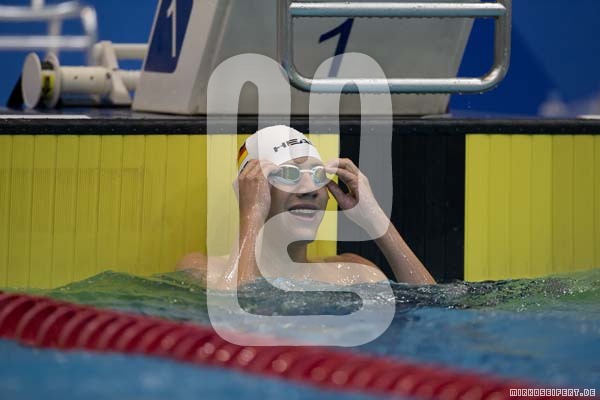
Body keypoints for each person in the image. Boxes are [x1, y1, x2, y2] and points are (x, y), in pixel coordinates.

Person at [177, 125, 435, 289]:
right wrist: (251, 214)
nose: (311, 188)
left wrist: (376, 221)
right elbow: (240, 318)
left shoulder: (353, 272)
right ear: (255, 190)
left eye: (318, 174)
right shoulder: (205, 270)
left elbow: (430, 309)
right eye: (288, 174)